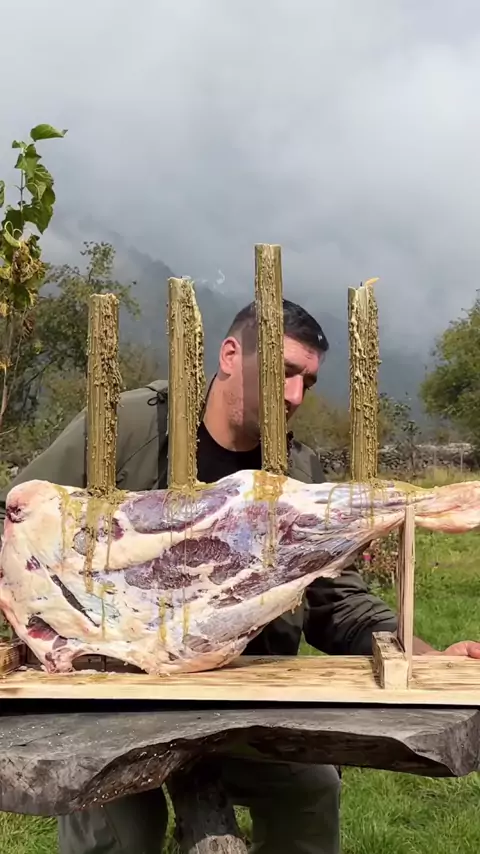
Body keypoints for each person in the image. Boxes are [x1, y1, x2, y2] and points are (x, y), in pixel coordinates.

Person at [1, 298, 479, 854]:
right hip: (114, 694)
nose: (294, 396)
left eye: (308, 382)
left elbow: (336, 599)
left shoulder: (297, 470)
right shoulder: (126, 426)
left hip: (243, 696)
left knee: (311, 793)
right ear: (230, 355)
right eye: (284, 371)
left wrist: (429, 655)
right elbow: (17, 524)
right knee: (118, 829)